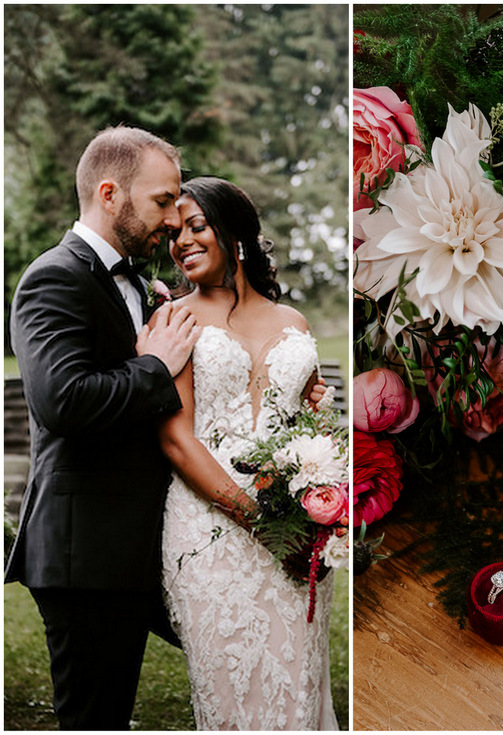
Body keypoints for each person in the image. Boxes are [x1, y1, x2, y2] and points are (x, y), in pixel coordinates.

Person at [6, 126, 199, 730]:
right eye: (163, 201)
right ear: (110, 193)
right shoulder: (53, 277)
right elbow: (63, 401)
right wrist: (153, 368)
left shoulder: (137, 283)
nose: (173, 219)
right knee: (95, 719)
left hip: (138, 544)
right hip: (85, 552)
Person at [157, 176, 337, 730]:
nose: (182, 241)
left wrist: (320, 425)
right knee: (233, 694)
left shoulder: (294, 324)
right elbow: (176, 440)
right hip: (210, 533)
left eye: (196, 226)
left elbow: (309, 427)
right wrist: (260, 521)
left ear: (233, 232)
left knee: (298, 690)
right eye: (173, 233)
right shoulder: (174, 321)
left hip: (297, 532)